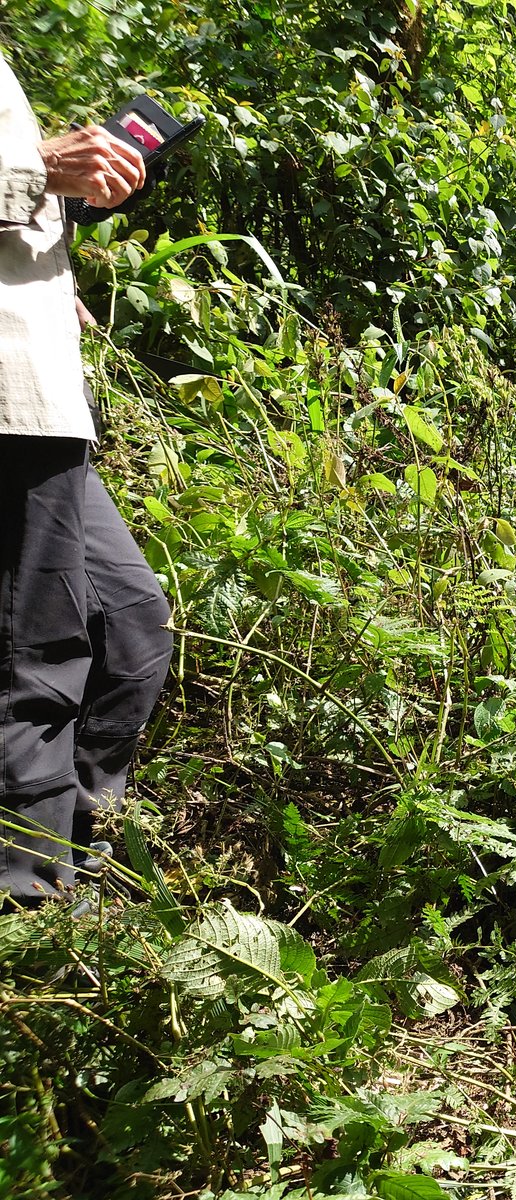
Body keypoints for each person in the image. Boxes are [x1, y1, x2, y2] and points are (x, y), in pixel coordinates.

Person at [1, 50, 173, 905]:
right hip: (7, 407)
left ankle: (76, 869)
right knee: (37, 660)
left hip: (45, 402)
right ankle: (25, 905)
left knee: (132, 626)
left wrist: (51, 268)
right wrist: (37, 167)